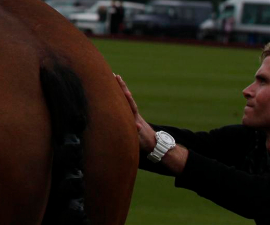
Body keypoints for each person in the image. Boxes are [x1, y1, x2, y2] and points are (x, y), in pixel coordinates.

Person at [115, 44, 270, 223]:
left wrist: (159, 146)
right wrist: (121, 127)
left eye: (263, 81)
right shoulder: (254, 138)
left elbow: (260, 197)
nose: (247, 91)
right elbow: (196, 145)